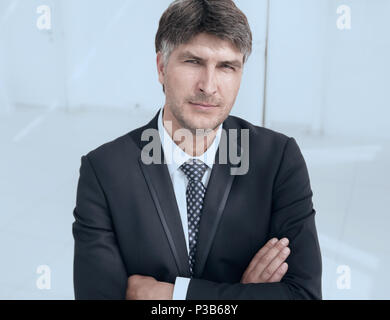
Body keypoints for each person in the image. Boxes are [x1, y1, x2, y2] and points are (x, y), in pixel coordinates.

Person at [72, 0, 322, 300]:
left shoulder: (279, 159)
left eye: (227, 66)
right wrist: (242, 294)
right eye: (193, 62)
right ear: (161, 68)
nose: (208, 86)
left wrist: (174, 295)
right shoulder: (104, 171)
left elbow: (303, 296)